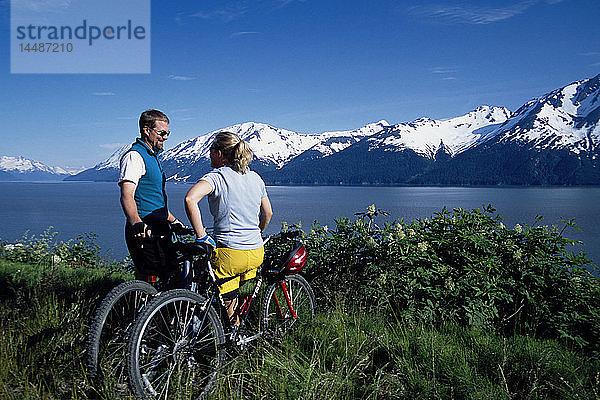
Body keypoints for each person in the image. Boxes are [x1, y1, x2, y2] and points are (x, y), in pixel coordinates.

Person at [185, 131, 273, 329]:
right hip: (256, 252)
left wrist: (202, 236)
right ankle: (230, 328)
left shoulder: (216, 177)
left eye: (211, 149)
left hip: (230, 254)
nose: (209, 153)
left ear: (219, 153)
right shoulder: (255, 178)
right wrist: (255, 233)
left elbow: (190, 199)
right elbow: (268, 213)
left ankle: (233, 336)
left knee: (219, 293)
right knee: (230, 294)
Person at [119, 109, 184, 281]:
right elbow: (127, 195)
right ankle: (142, 307)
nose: (166, 137)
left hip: (159, 225)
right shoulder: (134, 156)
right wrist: (136, 222)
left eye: (168, 133)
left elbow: (154, 199)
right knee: (150, 279)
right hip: (145, 228)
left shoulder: (153, 157)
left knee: (171, 275)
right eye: (162, 133)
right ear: (146, 130)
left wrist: (174, 221)